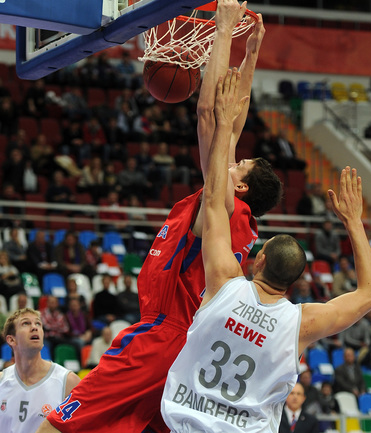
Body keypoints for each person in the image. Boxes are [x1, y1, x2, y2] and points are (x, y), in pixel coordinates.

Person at [36, 2, 281, 432]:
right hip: (188, 348)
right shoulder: (237, 217)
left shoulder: (223, 204)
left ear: (241, 187)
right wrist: (252, 53)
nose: (232, 159)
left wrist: (224, 30)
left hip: (163, 335)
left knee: (61, 423)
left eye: (239, 165)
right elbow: (234, 118)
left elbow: (213, 116)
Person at [160, 71, 371, 431]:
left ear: (258, 260)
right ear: (294, 282)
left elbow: (214, 196)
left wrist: (224, 124)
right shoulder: (301, 324)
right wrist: (354, 222)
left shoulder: (224, 282)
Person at [0, 308, 80, 432]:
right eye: (26, 323)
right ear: (11, 340)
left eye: (38, 323)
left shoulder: (68, 382)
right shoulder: (2, 381)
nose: (34, 327)